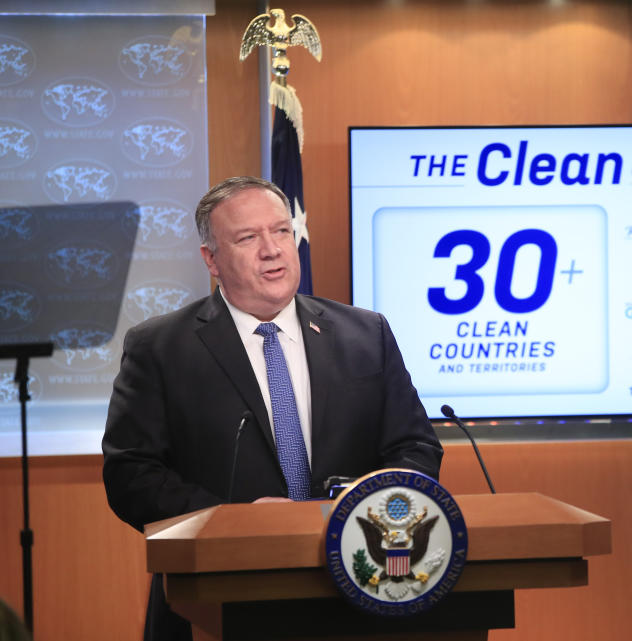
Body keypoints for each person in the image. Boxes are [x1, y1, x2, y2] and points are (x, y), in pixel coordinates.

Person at [102, 176, 442, 641]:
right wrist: (231, 521)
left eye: (282, 231)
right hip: (218, 599)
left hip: (359, 588)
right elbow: (131, 475)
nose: (272, 250)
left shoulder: (366, 334)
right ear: (212, 260)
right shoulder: (160, 348)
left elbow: (415, 446)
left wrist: (369, 511)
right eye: (248, 238)